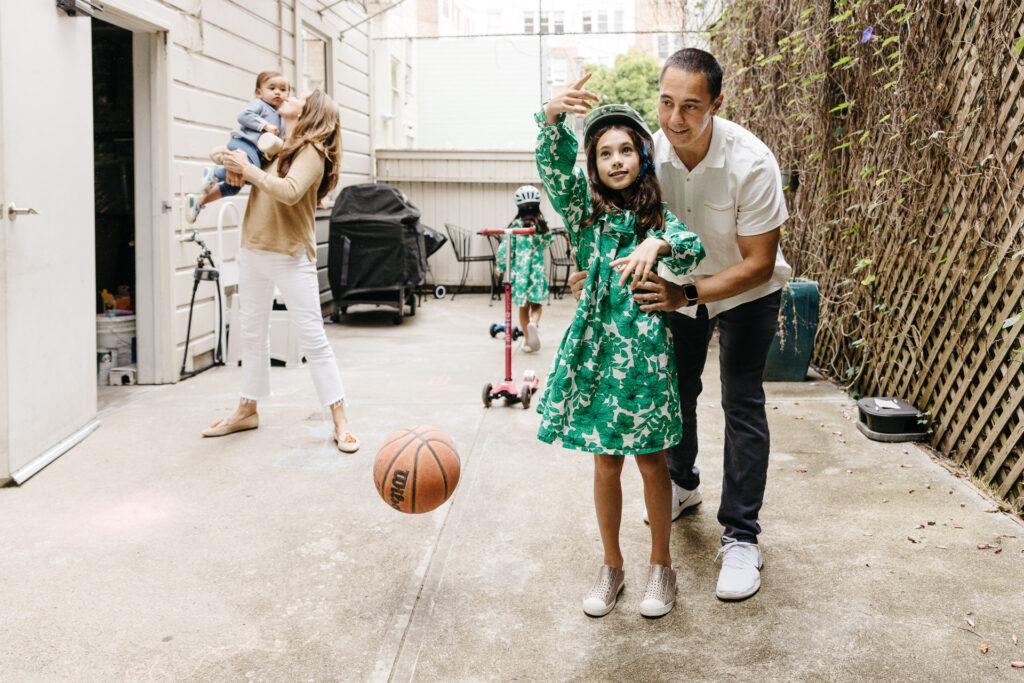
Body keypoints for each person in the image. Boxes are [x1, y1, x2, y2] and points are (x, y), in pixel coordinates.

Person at [571, 48, 791, 601]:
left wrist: (685, 292)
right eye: (667, 103)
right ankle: (684, 483)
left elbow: (759, 262)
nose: (675, 119)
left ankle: (741, 536)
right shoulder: (648, 155)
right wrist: (593, 272)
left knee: (741, 401)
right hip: (673, 290)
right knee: (675, 393)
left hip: (745, 290)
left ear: (717, 103)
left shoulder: (752, 162)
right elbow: (602, 208)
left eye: (691, 106)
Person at [535, 76, 705, 618]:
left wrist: (658, 241)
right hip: (596, 359)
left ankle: (662, 568)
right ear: (594, 164)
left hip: (647, 362)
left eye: (626, 149)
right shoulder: (583, 214)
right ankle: (612, 567)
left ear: (643, 158)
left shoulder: (657, 219)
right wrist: (551, 120)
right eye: (604, 152)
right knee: (605, 462)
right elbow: (555, 175)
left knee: (652, 462)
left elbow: (690, 251)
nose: (615, 160)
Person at [201, 90, 359, 453]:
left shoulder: (312, 153)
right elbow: (250, 177)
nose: (287, 95)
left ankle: (340, 420)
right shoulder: (275, 147)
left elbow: (288, 192)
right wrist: (234, 164)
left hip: (290, 255)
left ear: (312, 113)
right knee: (252, 334)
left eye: (299, 95)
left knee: (313, 340)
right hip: (253, 248)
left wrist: (250, 171)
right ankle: (247, 409)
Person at [185, 71, 290, 224]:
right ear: (258, 92)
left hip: (256, 152)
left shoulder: (282, 115)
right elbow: (243, 115)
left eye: (283, 89)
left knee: (235, 186)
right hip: (244, 143)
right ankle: (214, 173)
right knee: (250, 172)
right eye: (272, 88)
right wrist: (265, 126)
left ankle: (199, 201)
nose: (277, 92)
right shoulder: (260, 104)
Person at [494, 185, 552, 353]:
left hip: (520, 273)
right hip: (536, 272)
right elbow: (548, 242)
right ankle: (534, 323)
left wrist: (501, 266)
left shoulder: (516, 226)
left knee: (523, 307)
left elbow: (506, 248)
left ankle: (527, 341)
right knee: (536, 305)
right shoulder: (542, 224)